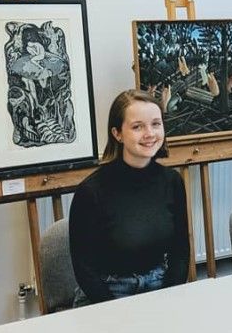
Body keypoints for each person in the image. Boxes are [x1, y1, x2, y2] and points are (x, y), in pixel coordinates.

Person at [69, 90, 189, 306]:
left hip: (159, 284)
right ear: (117, 133)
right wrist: (117, 312)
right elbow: (84, 269)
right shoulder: (91, 191)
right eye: (137, 127)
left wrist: (170, 299)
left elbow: (180, 253)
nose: (150, 133)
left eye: (156, 124)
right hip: (108, 292)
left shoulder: (172, 182)